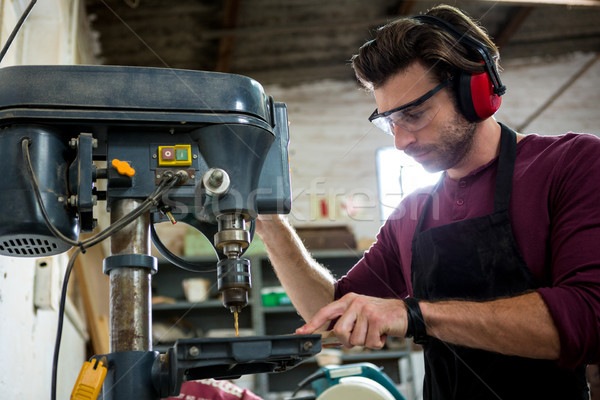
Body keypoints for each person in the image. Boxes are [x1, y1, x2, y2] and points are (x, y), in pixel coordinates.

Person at [255, 4, 600, 400]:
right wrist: (272, 227)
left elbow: (588, 318)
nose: (401, 141)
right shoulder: (412, 213)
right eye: (389, 122)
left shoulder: (571, 164)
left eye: (415, 114)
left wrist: (414, 314)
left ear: (475, 94)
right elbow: (336, 316)